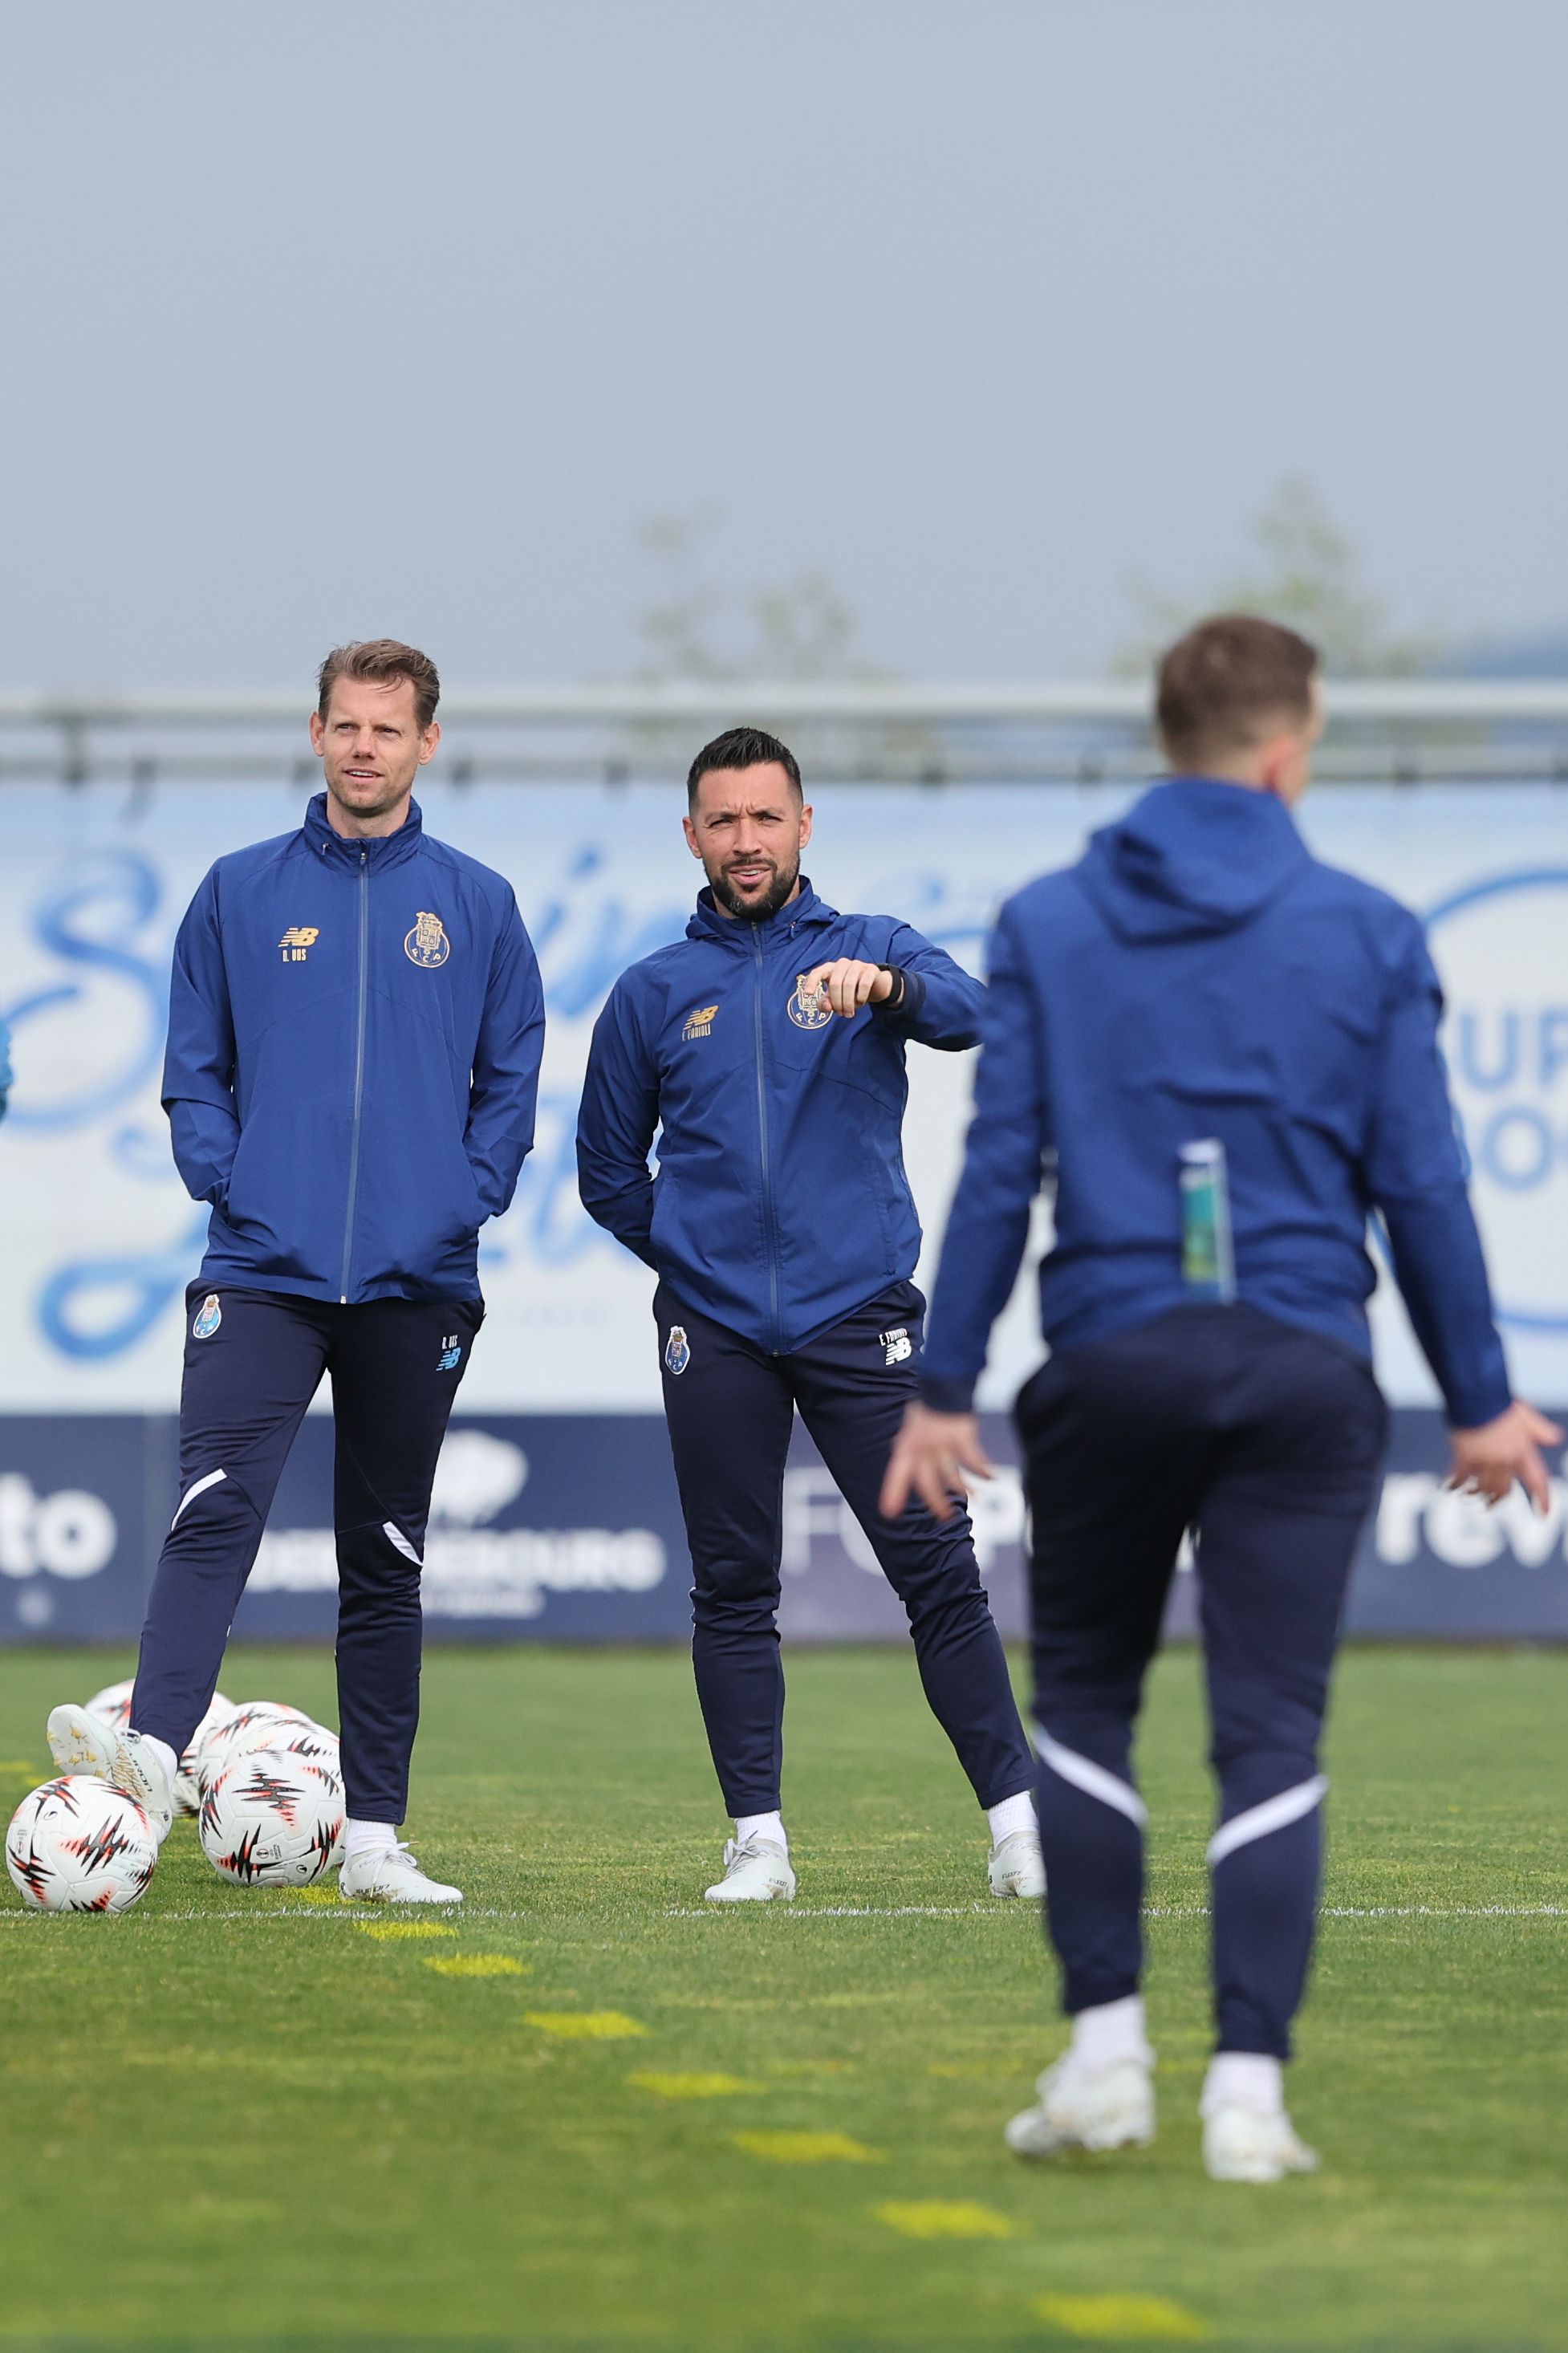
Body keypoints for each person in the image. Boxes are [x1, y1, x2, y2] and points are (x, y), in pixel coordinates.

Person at [883, 616, 1561, 2180]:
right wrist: (1479, 1397)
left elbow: (998, 1172)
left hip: (1110, 1359)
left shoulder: (1048, 920)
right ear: (1281, 748)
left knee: (1087, 1708)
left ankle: (1104, 2061)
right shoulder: (1367, 927)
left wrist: (942, 1385)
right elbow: (1424, 1181)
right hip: (1298, 1367)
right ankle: (1245, 2098)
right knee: (1267, 1729)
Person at [47, 639, 546, 1904]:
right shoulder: (236, 891)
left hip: (416, 1282)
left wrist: (462, 1199)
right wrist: (232, 1178)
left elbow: (513, 1080)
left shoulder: (477, 903)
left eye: (390, 728)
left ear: (428, 741)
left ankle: (375, 1842)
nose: (365, 746)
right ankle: (149, 1773)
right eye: (347, 725)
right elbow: (191, 1067)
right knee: (211, 1513)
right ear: (316, 734)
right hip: (261, 1270)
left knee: (386, 1556)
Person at [576, 725, 1041, 1905]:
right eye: (722, 821)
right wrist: (698, 1260)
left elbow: (980, 1015)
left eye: (764, 818)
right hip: (714, 1329)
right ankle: (758, 1845)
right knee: (733, 1587)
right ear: (692, 835)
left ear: (803, 825)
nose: (745, 841)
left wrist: (889, 989)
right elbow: (606, 1174)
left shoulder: (869, 948)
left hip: (859, 1314)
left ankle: (1020, 1831)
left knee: (936, 1571)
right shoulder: (650, 993)